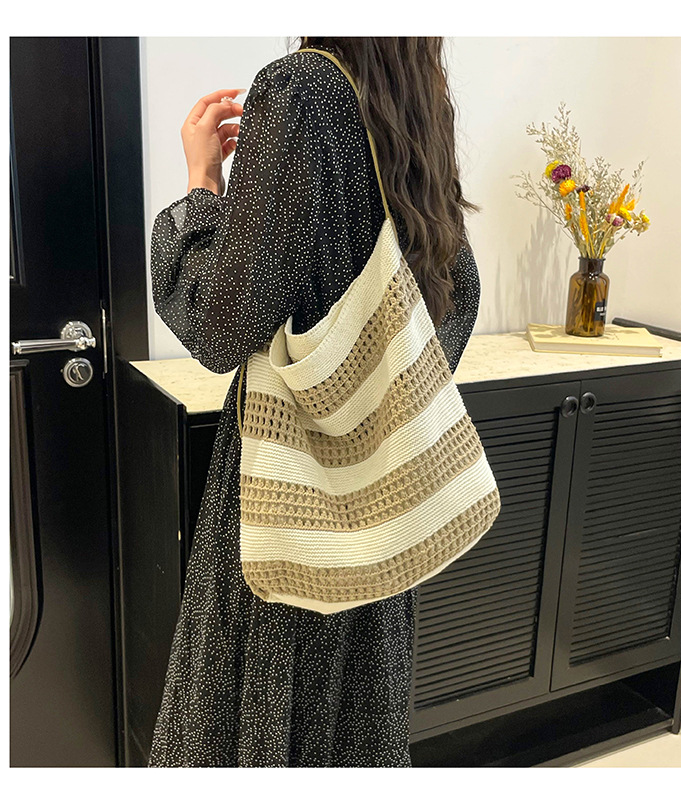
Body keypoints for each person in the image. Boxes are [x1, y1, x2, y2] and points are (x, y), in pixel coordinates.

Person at [148, 36, 482, 768]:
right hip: (382, 502)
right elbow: (460, 291)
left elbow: (219, 325)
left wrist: (202, 186)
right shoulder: (415, 101)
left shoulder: (301, 91)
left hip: (287, 491)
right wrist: (371, 402)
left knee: (264, 722)